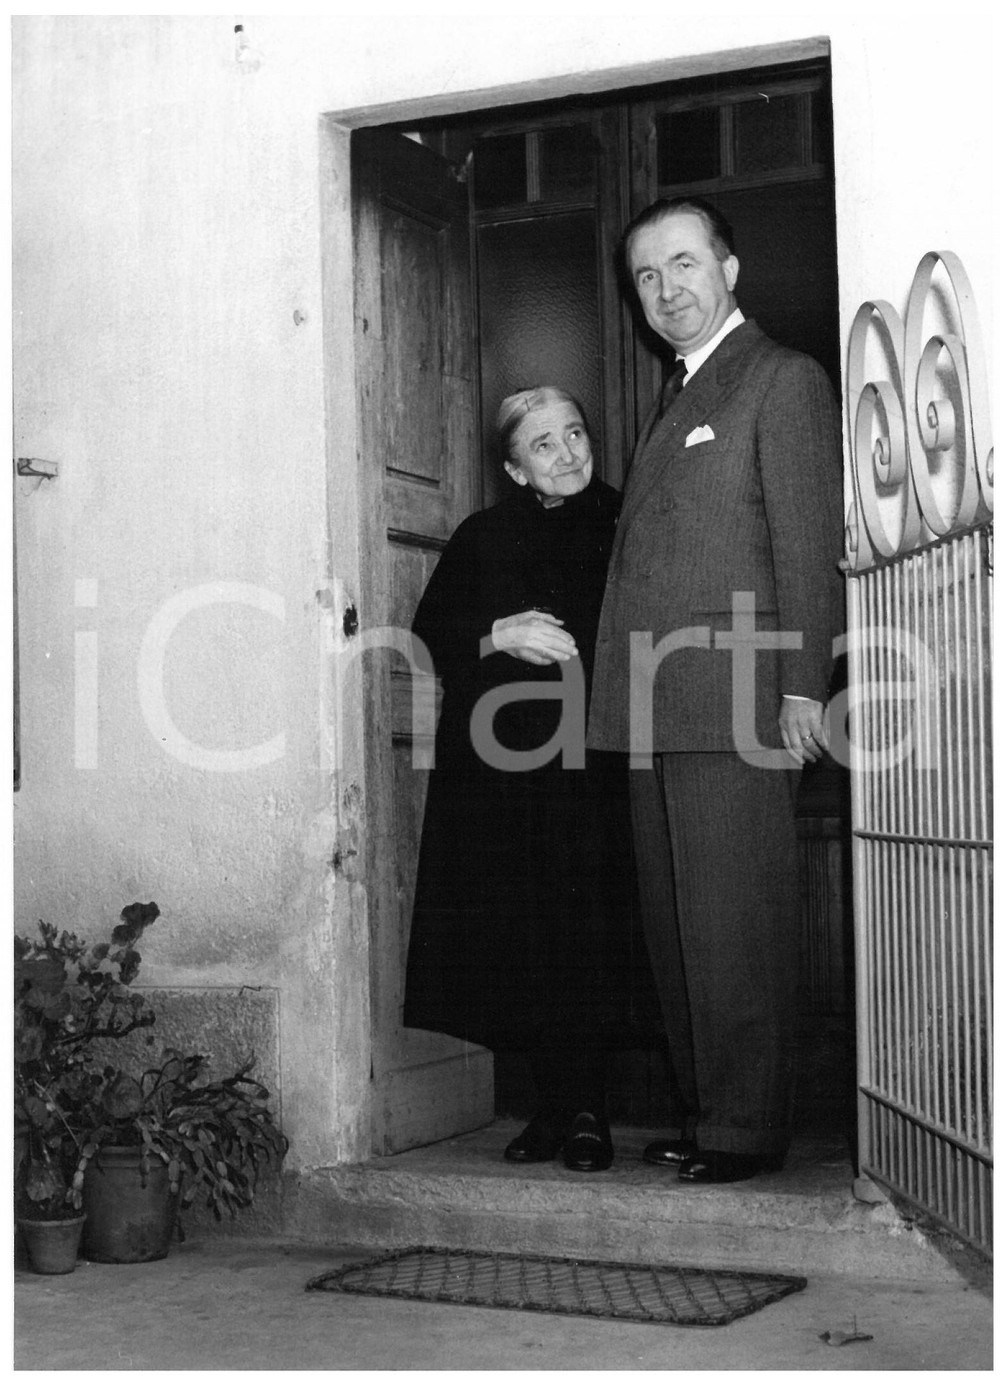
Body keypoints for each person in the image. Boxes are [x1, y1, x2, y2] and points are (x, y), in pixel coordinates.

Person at [588, 197, 844, 1184]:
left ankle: (745, 1124)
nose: (666, 290)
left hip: (737, 701)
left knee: (734, 922)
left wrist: (799, 687)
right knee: (677, 926)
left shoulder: (779, 379)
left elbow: (805, 546)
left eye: (684, 264)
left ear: (728, 271)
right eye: (647, 276)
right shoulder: (681, 391)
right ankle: (709, 1113)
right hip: (656, 708)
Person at [403, 386, 658, 1172]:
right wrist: (497, 632)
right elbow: (427, 634)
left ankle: (589, 1112)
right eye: (544, 444)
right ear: (516, 468)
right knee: (522, 938)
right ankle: (549, 1110)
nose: (569, 453)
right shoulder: (484, 534)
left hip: (599, 763)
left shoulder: (631, 521)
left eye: (575, 433)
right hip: (504, 771)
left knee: (593, 936)